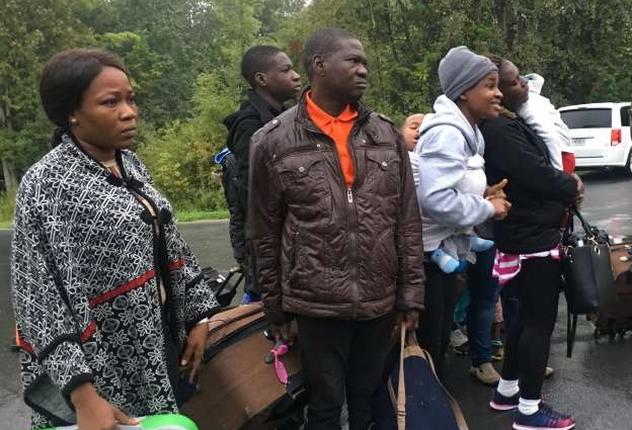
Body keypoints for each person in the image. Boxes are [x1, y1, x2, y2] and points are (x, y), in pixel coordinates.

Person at [11, 49, 220, 430]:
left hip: (158, 338)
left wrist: (198, 316)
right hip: (101, 362)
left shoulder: (130, 164)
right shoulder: (46, 184)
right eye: (111, 102)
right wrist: (82, 394)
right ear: (71, 112)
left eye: (130, 98)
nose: (129, 111)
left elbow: (169, 242)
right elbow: (38, 300)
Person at [247, 28, 424, 430]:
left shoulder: (384, 133)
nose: (363, 71)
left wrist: (410, 294)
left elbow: (407, 220)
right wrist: (275, 308)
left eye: (365, 63)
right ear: (319, 66)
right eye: (354, 61)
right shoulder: (272, 141)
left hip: (379, 300)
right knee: (325, 407)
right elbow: (264, 231)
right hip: (315, 303)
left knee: (368, 402)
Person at [481, 56, 582, 430]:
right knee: (539, 323)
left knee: (522, 320)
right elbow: (537, 175)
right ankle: (529, 410)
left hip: (522, 235)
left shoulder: (504, 125)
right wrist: (570, 185)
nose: (521, 84)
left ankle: (507, 391)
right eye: (504, 82)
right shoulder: (501, 131)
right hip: (531, 238)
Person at [414, 45, 510, 382]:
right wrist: (486, 207)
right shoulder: (447, 134)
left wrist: (481, 193)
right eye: (489, 85)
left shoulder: (467, 132)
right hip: (428, 261)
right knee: (430, 345)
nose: (498, 93)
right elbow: (435, 199)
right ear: (463, 92)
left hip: (447, 250)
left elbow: (448, 185)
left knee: (436, 343)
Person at [222, 45, 301, 301]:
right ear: (261, 79)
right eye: (286, 69)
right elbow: (255, 189)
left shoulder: (286, 117)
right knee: (263, 309)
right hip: (270, 244)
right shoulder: (250, 125)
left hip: (290, 238)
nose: (296, 75)